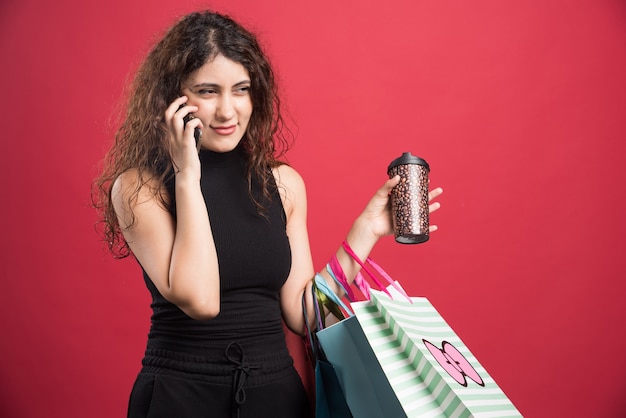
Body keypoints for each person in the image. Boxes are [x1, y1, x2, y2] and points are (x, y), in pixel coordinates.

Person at [93, 10, 443, 418]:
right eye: (208, 91)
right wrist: (188, 175)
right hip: (181, 396)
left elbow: (301, 314)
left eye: (240, 90)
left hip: (274, 395)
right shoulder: (140, 187)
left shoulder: (282, 183)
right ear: (172, 98)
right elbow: (201, 300)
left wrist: (364, 232)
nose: (227, 111)